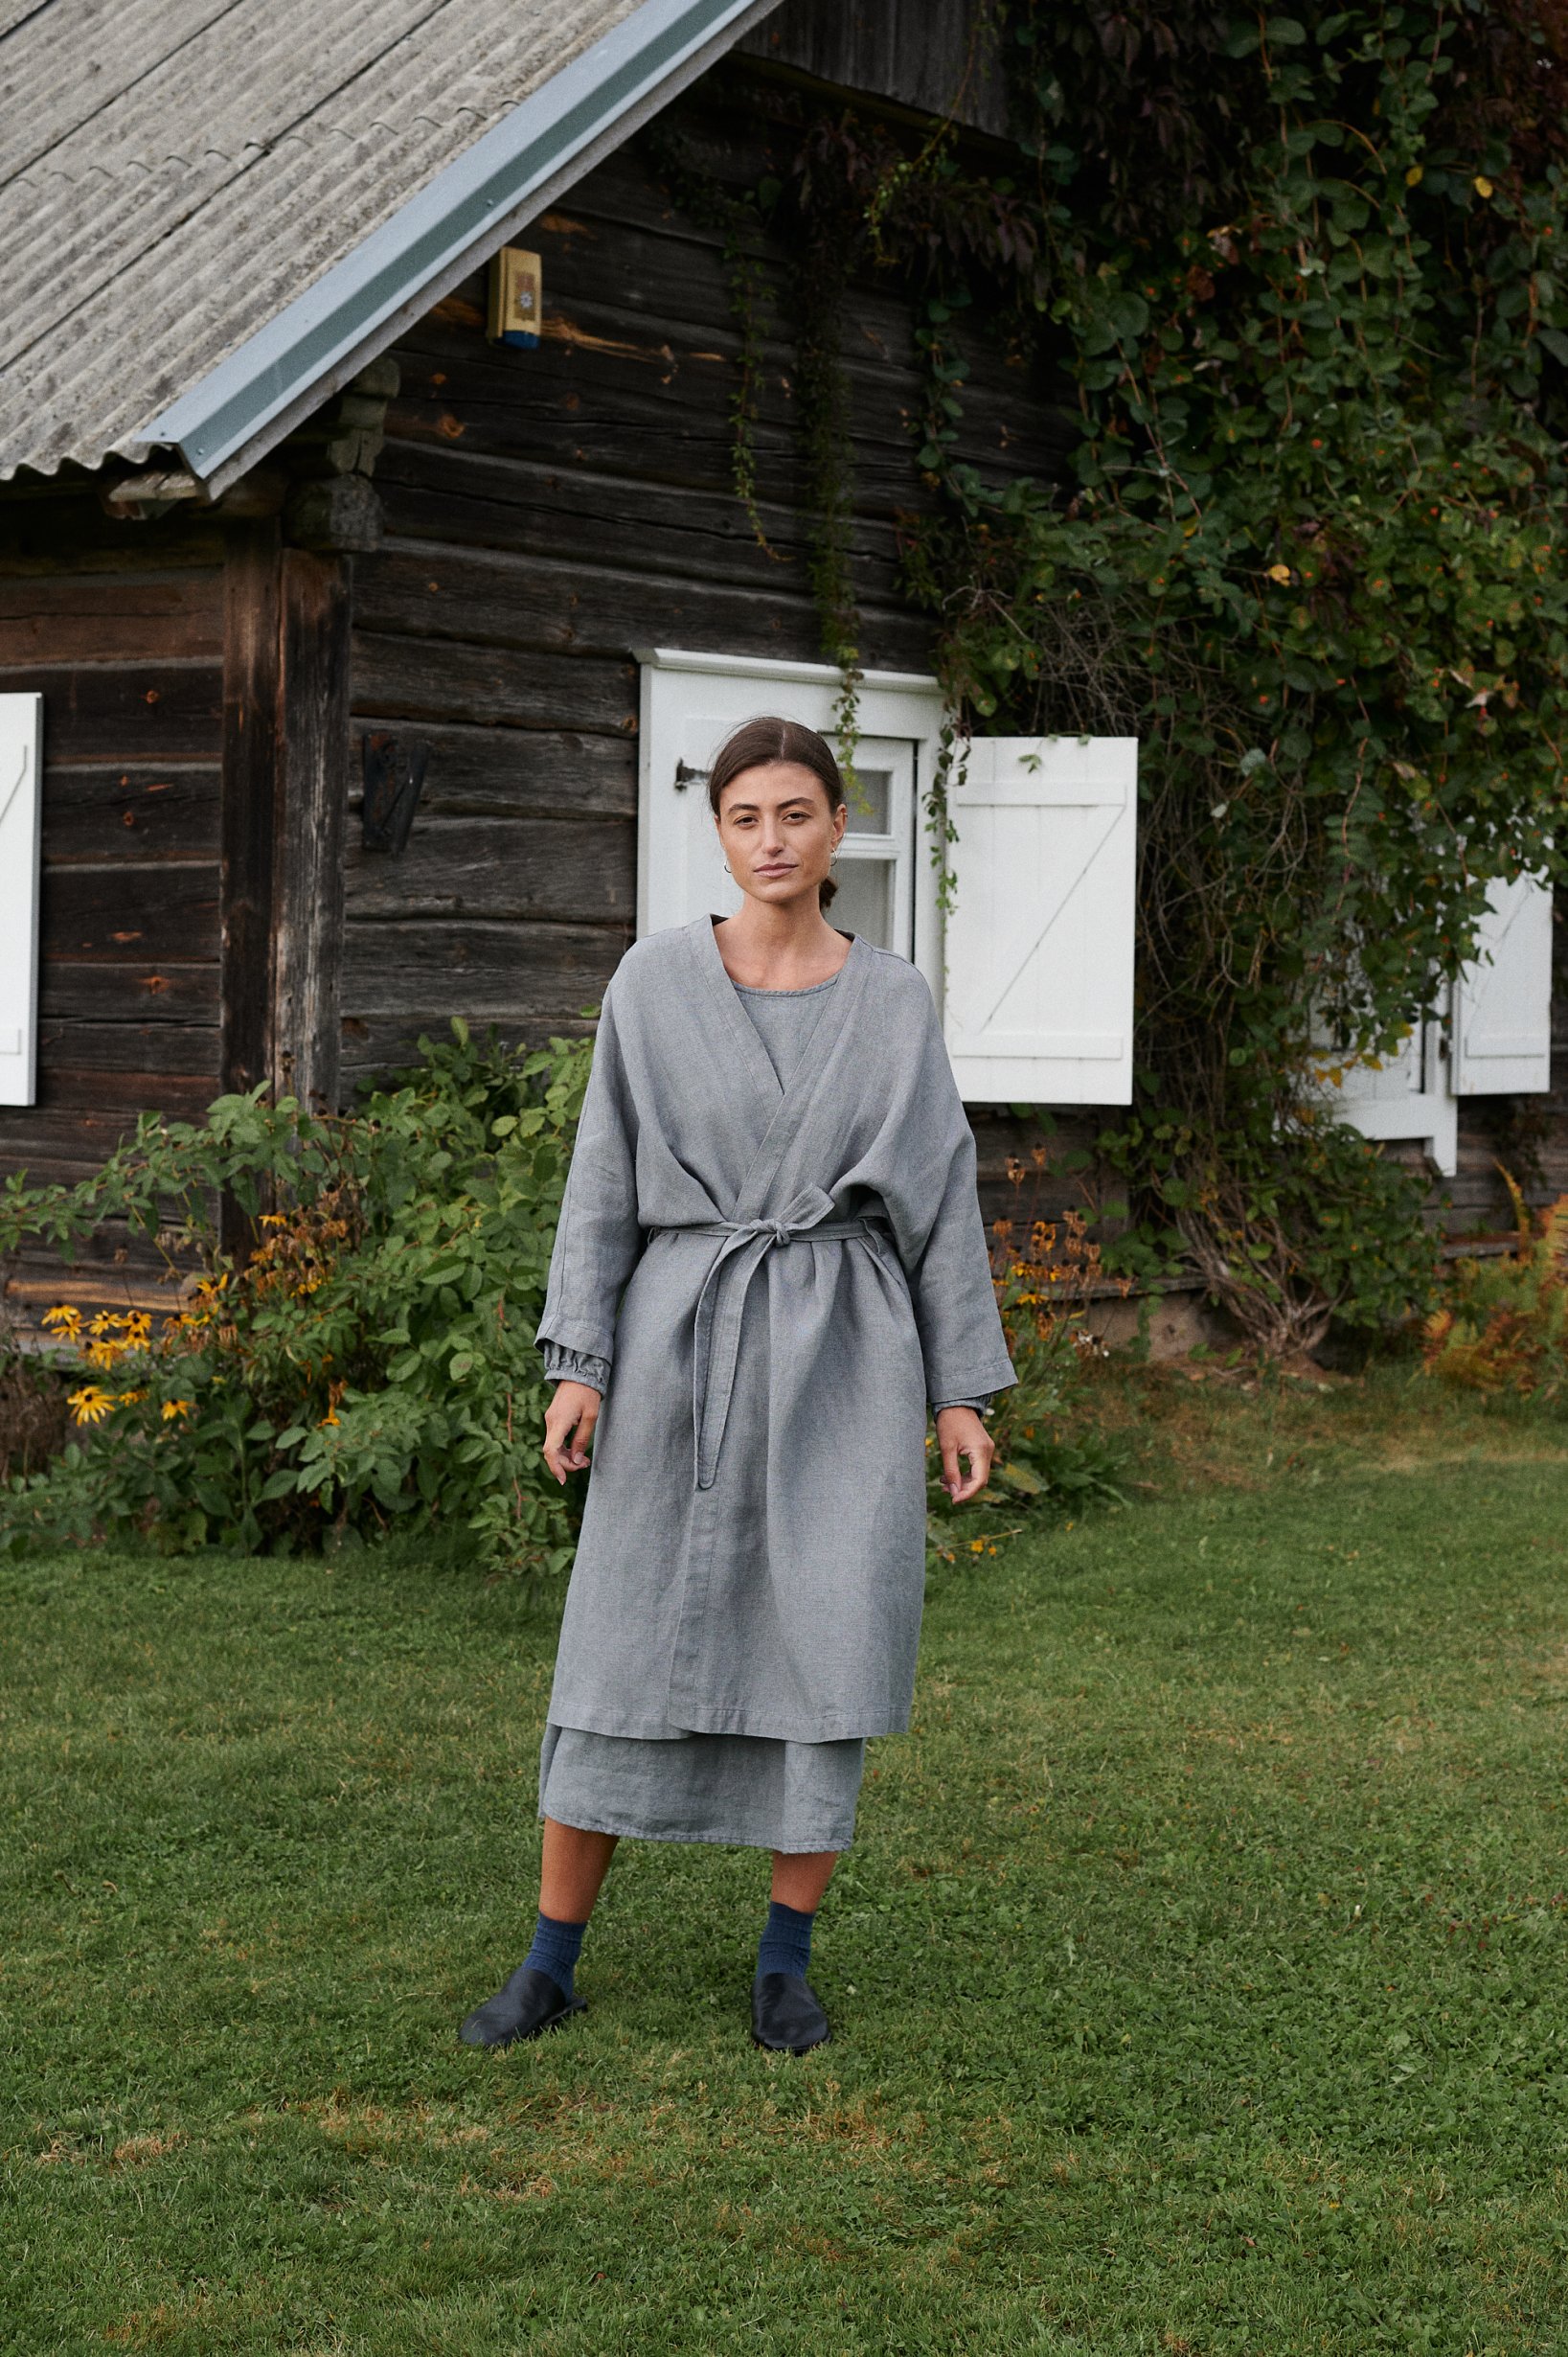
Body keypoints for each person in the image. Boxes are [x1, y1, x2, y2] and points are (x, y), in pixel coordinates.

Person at [459, 716, 1015, 2057]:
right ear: (716, 835)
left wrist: (958, 1391)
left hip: (843, 1356)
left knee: (831, 1636)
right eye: (744, 818)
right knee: (614, 1643)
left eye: (795, 814)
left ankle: (783, 1965)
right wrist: (577, 1361)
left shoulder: (892, 1002)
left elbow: (939, 1200)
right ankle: (549, 1961)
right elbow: (602, 1180)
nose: (770, 840)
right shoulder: (651, 986)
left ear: (837, 829)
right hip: (675, 1346)